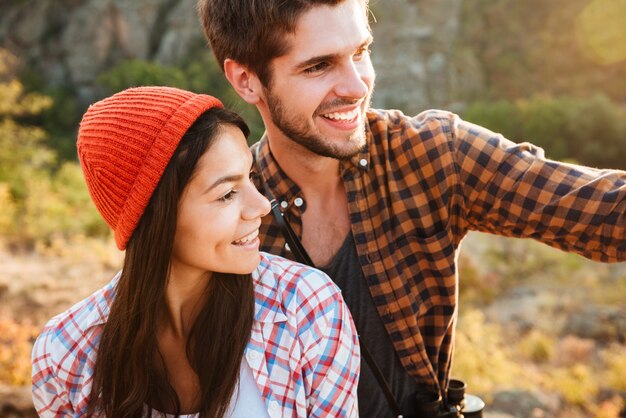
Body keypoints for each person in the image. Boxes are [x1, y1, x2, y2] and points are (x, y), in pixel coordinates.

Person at [197, 0, 626, 416]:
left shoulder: (434, 153)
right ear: (246, 79)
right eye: (318, 66)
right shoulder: (221, 213)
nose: (357, 86)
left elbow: (605, 213)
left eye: (361, 52)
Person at [30, 86, 360, 418]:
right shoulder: (65, 353)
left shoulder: (308, 310)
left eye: (251, 178)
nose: (261, 206)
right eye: (228, 193)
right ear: (156, 217)